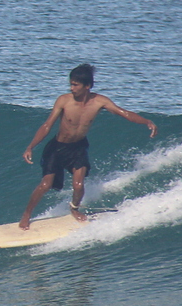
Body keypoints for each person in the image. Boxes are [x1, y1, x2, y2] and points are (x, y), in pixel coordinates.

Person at [19, 64, 155, 229]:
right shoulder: (64, 100)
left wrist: (146, 121)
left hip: (78, 148)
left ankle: (74, 208)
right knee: (45, 185)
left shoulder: (99, 102)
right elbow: (47, 125)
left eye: (75, 85)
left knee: (78, 186)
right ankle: (26, 214)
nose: (72, 88)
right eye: (71, 84)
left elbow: (123, 113)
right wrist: (30, 146)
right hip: (57, 147)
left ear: (87, 86)